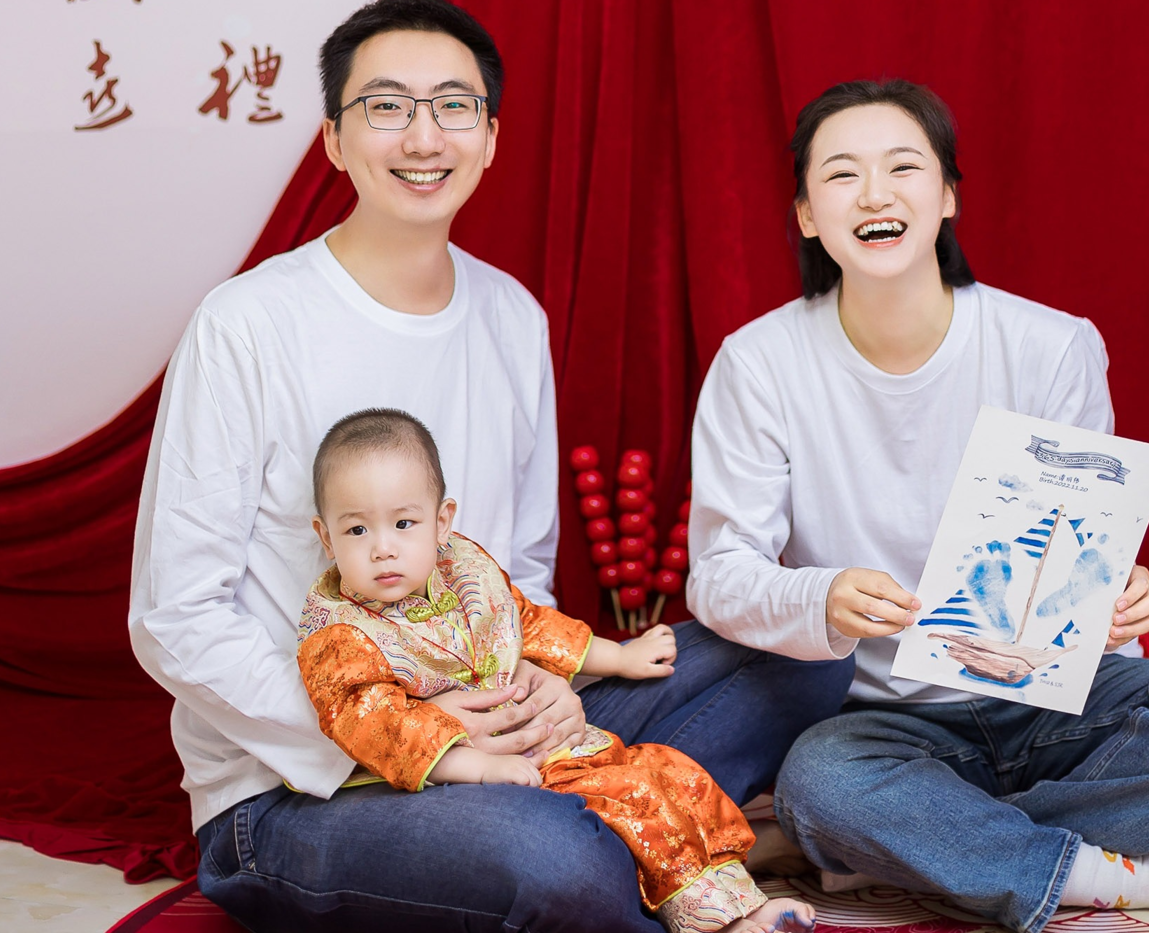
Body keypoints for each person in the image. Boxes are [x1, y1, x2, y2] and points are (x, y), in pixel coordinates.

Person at [128, 2, 851, 930]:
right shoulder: (245, 325)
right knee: (555, 861)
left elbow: (522, 570)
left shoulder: (511, 316)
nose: (423, 136)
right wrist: (420, 734)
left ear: (491, 137)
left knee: (804, 651)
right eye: (386, 106)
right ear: (335, 140)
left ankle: (623, 832)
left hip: (513, 737)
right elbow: (176, 618)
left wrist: (542, 690)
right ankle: (652, 845)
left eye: (453, 106)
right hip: (301, 792)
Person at [686, 79, 1149, 933]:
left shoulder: (1051, 346)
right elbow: (719, 576)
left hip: (1055, 705)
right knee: (822, 782)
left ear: (947, 195)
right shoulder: (758, 363)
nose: (874, 194)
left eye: (904, 167)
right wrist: (819, 595)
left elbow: (1083, 545)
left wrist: (1114, 596)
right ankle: (1114, 873)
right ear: (805, 215)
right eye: (842, 174)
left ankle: (923, 844)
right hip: (883, 720)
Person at [297, 408, 814, 933]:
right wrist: (476, 766)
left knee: (668, 773)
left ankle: (738, 900)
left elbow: (527, 623)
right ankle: (715, 924)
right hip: (448, 781)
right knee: (624, 800)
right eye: (357, 529)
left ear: (442, 521)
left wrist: (619, 656)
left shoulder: (464, 569)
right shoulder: (339, 633)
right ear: (326, 537)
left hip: (543, 743)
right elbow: (371, 724)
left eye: (404, 524)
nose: (383, 548)